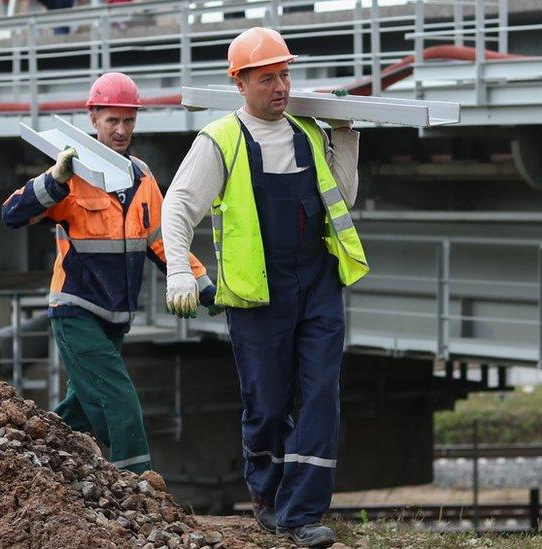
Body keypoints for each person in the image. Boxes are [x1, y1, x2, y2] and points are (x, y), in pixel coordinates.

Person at [160, 27, 368, 547]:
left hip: (317, 280)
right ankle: (269, 497)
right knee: (268, 402)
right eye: (267, 78)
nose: (280, 87)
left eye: (284, 75)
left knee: (320, 394)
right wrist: (181, 272)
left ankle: (303, 514)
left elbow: (340, 196)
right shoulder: (220, 140)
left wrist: (344, 133)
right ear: (241, 83)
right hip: (257, 294)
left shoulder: (306, 131)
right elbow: (177, 206)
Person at [2, 72, 215, 474]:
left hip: (115, 319)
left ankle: (29, 470)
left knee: (78, 409)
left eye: (128, 121)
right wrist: (54, 180)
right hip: (76, 312)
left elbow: (162, 240)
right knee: (119, 403)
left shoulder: (142, 177)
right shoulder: (71, 176)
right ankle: (137, 487)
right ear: (93, 119)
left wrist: (201, 285)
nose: (121, 130)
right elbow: (12, 214)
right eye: (112, 121)